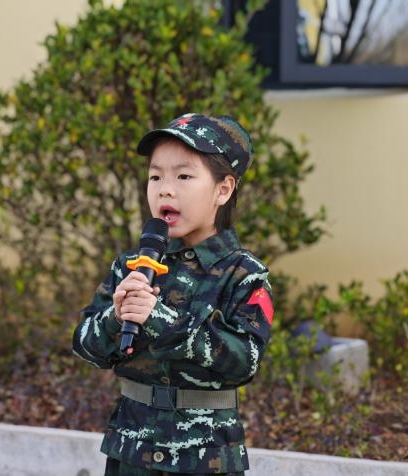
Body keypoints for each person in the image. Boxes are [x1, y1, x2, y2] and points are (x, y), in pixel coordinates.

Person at [72, 113, 273, 475]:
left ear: (223, 190)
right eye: (155, 176)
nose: (165, 189)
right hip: (131, 450)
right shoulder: (131, 266)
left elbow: (245, 361)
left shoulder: (244, 274)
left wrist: (159, 318)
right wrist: (115, 317)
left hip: (206, 456)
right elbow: (85, 346)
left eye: (183, 176)